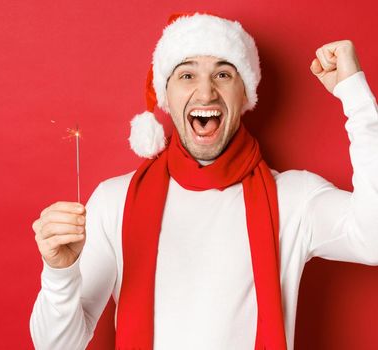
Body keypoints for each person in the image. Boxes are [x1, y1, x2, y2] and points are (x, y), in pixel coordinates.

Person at [29, 13, 378, 350]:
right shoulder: (113, 200)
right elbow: (56, 345)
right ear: (166, 96)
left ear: (245, 95)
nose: (206, 92)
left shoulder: (294, 198)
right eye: (187, 75)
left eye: (224, 74)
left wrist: (356, 98)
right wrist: (60, 273)